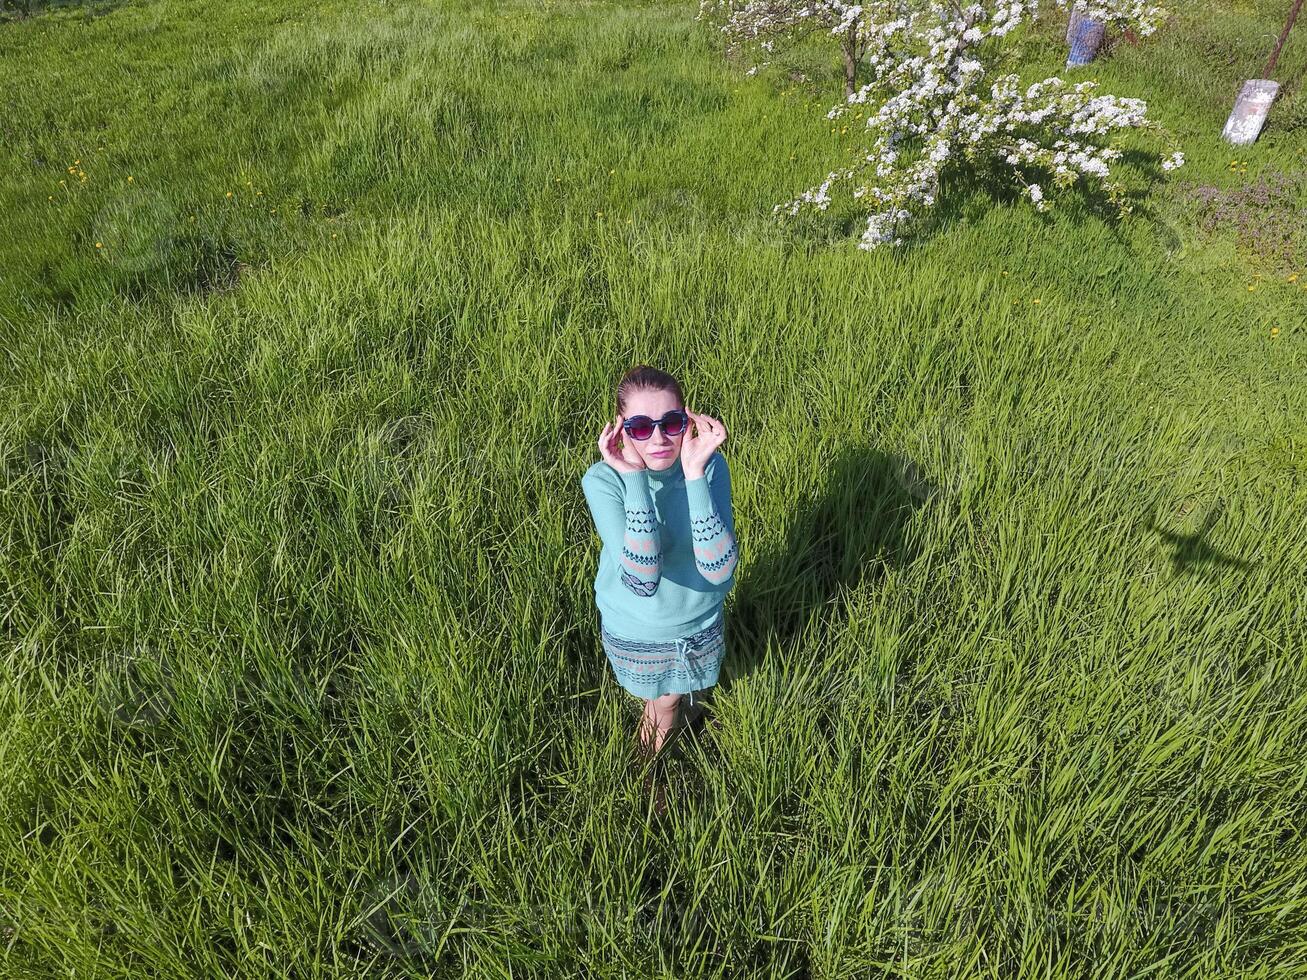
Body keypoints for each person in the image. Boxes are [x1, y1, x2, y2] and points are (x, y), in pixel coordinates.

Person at [581, 365, 739, 757]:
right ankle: (649, 770)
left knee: (685, 693)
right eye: (639, 427)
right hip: (643, 627)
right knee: (666, 701)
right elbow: (642, 578)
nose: (657, 438)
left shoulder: (709, 467)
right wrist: (633, 477)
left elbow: (720, 568)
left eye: (671, 422)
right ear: (619, 429)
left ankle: (682, 709)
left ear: (687, 421)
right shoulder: (602, 481)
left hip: (702, 618)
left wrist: (694, 475)